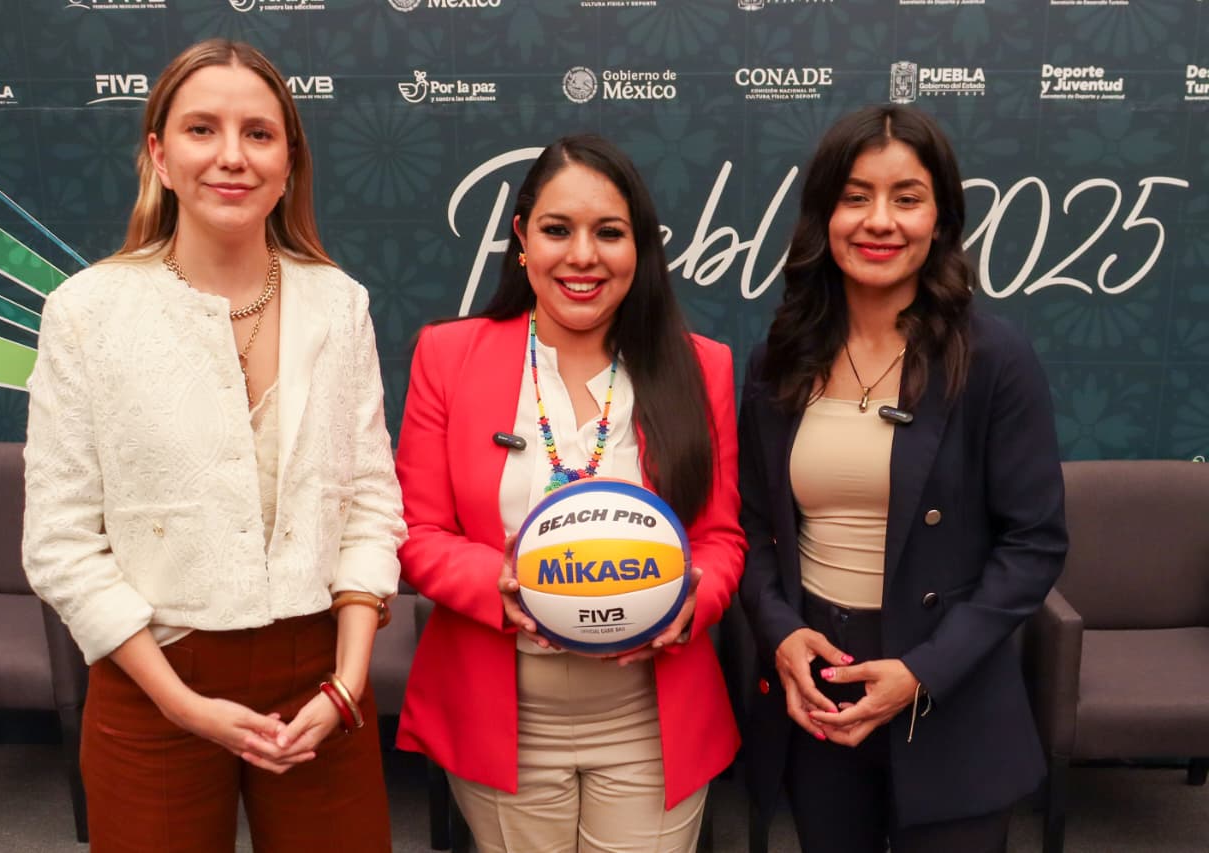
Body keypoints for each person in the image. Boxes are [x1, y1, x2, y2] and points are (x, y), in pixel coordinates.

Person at [22, 39, 405, 852]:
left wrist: (348, 681)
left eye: (259, 134)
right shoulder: (86, 312)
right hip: (152, 676)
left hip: (323, 676)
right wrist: (178, 702)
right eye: (202, 129)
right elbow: (60, 541)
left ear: (289, 158)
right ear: (160, 155)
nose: (231, 156)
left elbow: (371, 501)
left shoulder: (340, 305)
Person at [394, 134, 746, 853]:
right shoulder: (448, 355)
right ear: (522, 239)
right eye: (558, 229)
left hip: (650, 719)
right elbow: (416, 533)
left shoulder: (700, 366)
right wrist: (499, 581)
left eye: (609, 232)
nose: (582, 255)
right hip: (505, 723)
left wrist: (691, 603)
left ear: (640, 247)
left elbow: (722, 539)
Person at [737, 104, 1068, 853]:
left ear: (940, 217)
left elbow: (1034, 544)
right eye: (855, 196)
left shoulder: (992, 358)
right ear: (824, 212)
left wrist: (923, 670)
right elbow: (754, 526)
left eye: (906, 197)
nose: (878, 220)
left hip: (950, 688)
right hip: (822, 688)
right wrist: (783, 635)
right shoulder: (779, 358)